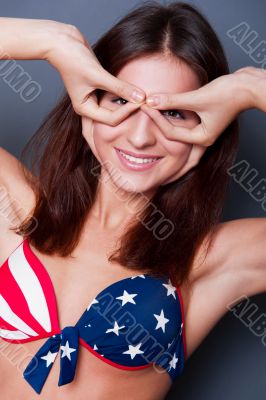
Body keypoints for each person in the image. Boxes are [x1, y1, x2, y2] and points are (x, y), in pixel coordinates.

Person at [0, 2, 265, 399]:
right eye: (121, 101)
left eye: (174, 113)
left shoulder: (211, 258)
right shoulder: (14, 206)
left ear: (208, 128)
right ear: (86, 100)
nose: (141, 137)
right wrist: (53, 42)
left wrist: (249, 87)